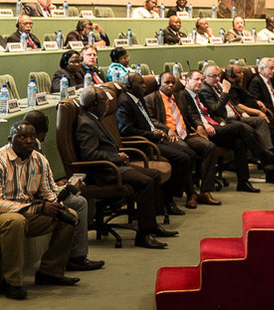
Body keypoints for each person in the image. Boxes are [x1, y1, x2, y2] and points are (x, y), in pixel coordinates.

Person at [75, 87, 177, 248]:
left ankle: (152, 225)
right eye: (104, 102)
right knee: (146, 181)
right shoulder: (85, 123)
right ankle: (143, 235)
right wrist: (117, 157)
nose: (107, 105)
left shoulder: (93, 118)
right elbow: (89, 155)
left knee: (154, 175)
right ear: (93, 104)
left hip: (115, 166)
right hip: (104, 171)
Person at [0, 122, 80, 299]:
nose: (29, 141)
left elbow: (48, 192)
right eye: (22, 137)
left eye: (32, 137)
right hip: (6, 214)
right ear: (10, 140)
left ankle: (50, 272)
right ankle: (11, 281)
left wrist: (56, 206)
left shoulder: (39, 159)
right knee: (15, 221)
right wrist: (35, 208)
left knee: (67, 216)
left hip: (28, 212)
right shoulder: (1, 160)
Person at [20, 111, 104, 272]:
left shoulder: (27, 147)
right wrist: (70, 188)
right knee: (78, 203)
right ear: (42, 131)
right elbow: (43, 194)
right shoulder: (34, 149)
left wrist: (57, 184)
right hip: (33, 202)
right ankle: (76, 257)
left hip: (35, 196)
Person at [115, 72, 197, 215]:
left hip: (154, 137)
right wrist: (151, 134)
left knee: (190, 154)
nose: (144, 85)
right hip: (143, 144)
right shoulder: (125, 101)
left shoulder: (138, 97)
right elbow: (125, 129)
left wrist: (158, 131)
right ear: (129, 86)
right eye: (140, 83)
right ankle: (168, 199)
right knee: (182, 158)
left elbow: (149, 121)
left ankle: (170, 195)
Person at [195, 65, 274, 184]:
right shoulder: (205, 89)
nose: (217, 79)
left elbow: (232, 105)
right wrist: (225, 92)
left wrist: (242, 112)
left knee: (256, 125)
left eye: (218, 75)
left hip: (231, 118)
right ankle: (269, 158)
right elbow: (216, 110)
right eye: (213, 76)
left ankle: (245, 181)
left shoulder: (216, 86)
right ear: (205, 77)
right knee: (242, 129)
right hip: (221, 122)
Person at [144, 72, 221, 208]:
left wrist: (198, 125)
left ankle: (205, 191)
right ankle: (191, 193)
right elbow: (151, 120)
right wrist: (168, 130)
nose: (171, 85)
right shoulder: (150, 99)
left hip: (186, 133)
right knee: (185, 151)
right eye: (167, 83)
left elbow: (192, 114)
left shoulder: (180, 96)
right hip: (169, 136)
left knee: (210, 146)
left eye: (173, 83)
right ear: (159, 84)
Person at [183, 71, 263, 193]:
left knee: (239, 142)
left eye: (201, 80)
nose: (199, 82)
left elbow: (213, 113)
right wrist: (202, 124)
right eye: (196, 79)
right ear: (187, 80)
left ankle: (243, 182)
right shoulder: (183, 95)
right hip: (201, 130)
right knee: (240, 128)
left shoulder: (199, 95)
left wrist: (219, 121)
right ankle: (264, 156)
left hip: (214, 126)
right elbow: (188, 116)